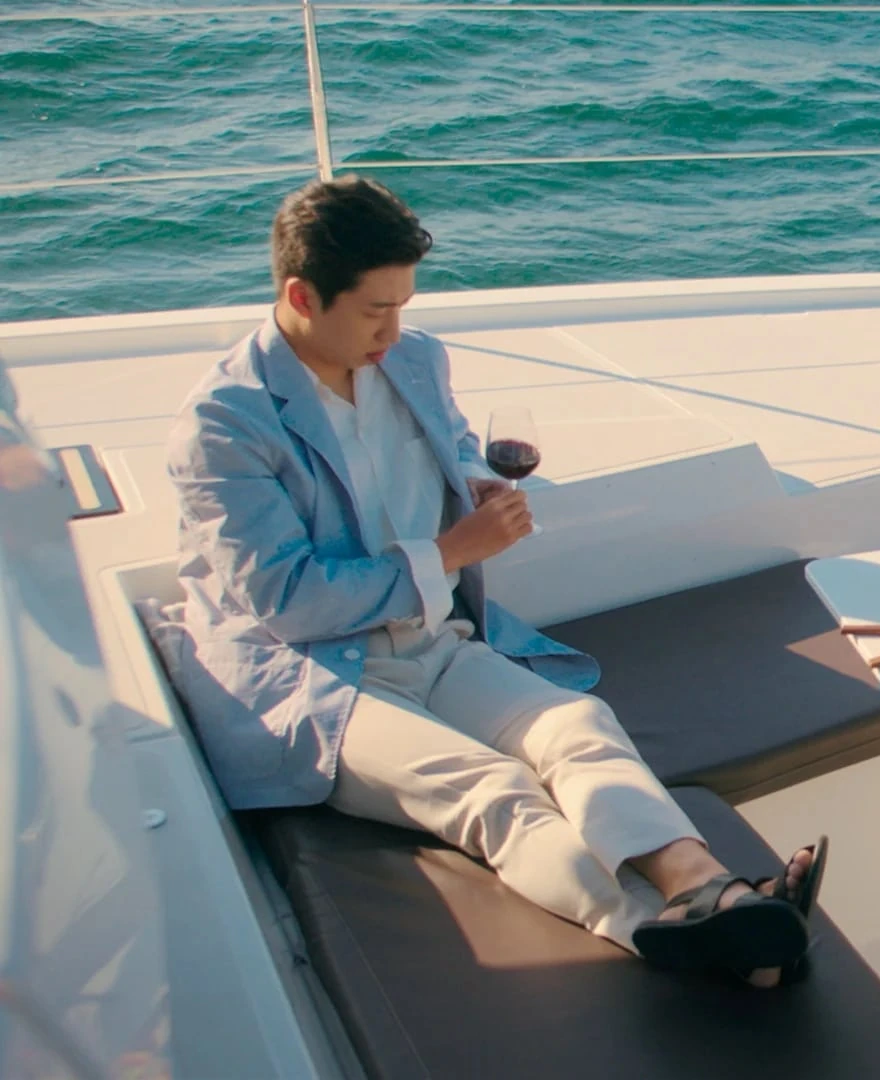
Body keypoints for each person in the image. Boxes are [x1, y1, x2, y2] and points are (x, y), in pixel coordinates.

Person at [164, 175, 824, 982]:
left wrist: (475, 481)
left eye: (404, 305)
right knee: (494, 791)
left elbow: (453, 444)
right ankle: (662, 929)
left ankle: (710, 888)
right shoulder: (223, 427)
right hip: (317, 676)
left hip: (431, 638)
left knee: (576, 727)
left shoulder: (412, 359)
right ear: (302, 296)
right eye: (376, 311)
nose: (394, 331)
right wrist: (450, 553)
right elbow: (292, 604)